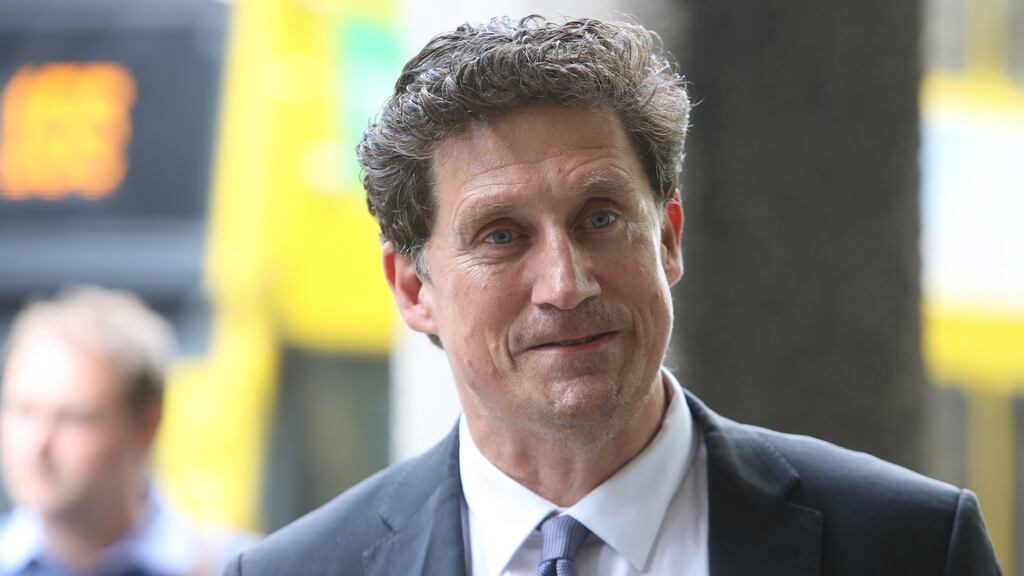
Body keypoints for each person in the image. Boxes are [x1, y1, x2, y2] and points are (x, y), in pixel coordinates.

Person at [227, 16, 1000, 575]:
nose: (566, 283)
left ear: (667, 238)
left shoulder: (908, 547)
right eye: (501, 236)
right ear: (411, 287)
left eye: (601, 219)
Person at [0, 287, 238, 575]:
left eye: (73, 418)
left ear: (145, 427)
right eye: (24, 411)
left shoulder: (238, 568)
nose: (38, 444)